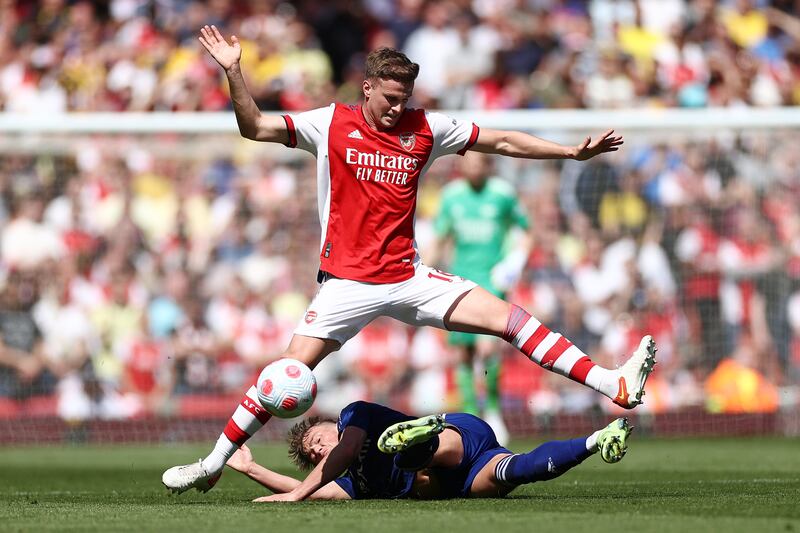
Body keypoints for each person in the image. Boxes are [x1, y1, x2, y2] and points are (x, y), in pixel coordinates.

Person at [162, 25, 656, 494]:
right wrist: (233, 72)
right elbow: (254, 127)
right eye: (390, 98)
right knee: (283, 374)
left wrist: (568, 152)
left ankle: (611, 382)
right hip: (345, 285)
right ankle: (212, 463)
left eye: (406, 99)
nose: (399, 108)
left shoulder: (427, 128)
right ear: (367, 87)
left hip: (408, 275)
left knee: (510, 319)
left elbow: (501, 140)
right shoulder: (329, 122)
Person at [225, 400, 633, 501]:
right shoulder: (352, 482)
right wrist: (251, 468)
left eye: (317, 440)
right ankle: (599, 439)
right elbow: (313, 488)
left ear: (329, 424)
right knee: (517, 471)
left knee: (416, 463)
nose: (318, 452)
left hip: (455, 438)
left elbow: (341, 456)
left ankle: (420, 443)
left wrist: (298, 493)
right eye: (313, 456)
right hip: (464, 476)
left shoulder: (355, 416)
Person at [427, 150, 532, 445]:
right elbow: (440, 237)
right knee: (462, 354)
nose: (472, 168)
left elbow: (526, 231)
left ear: (487, 165)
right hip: (460, 282)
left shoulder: (502, 194)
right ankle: (472, 416)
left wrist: (515, 262)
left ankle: (494, 411)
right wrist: (422, 269)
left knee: (488, 349)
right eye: (467, 163)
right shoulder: (451, 196)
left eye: (478, 163)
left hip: (492, 280)